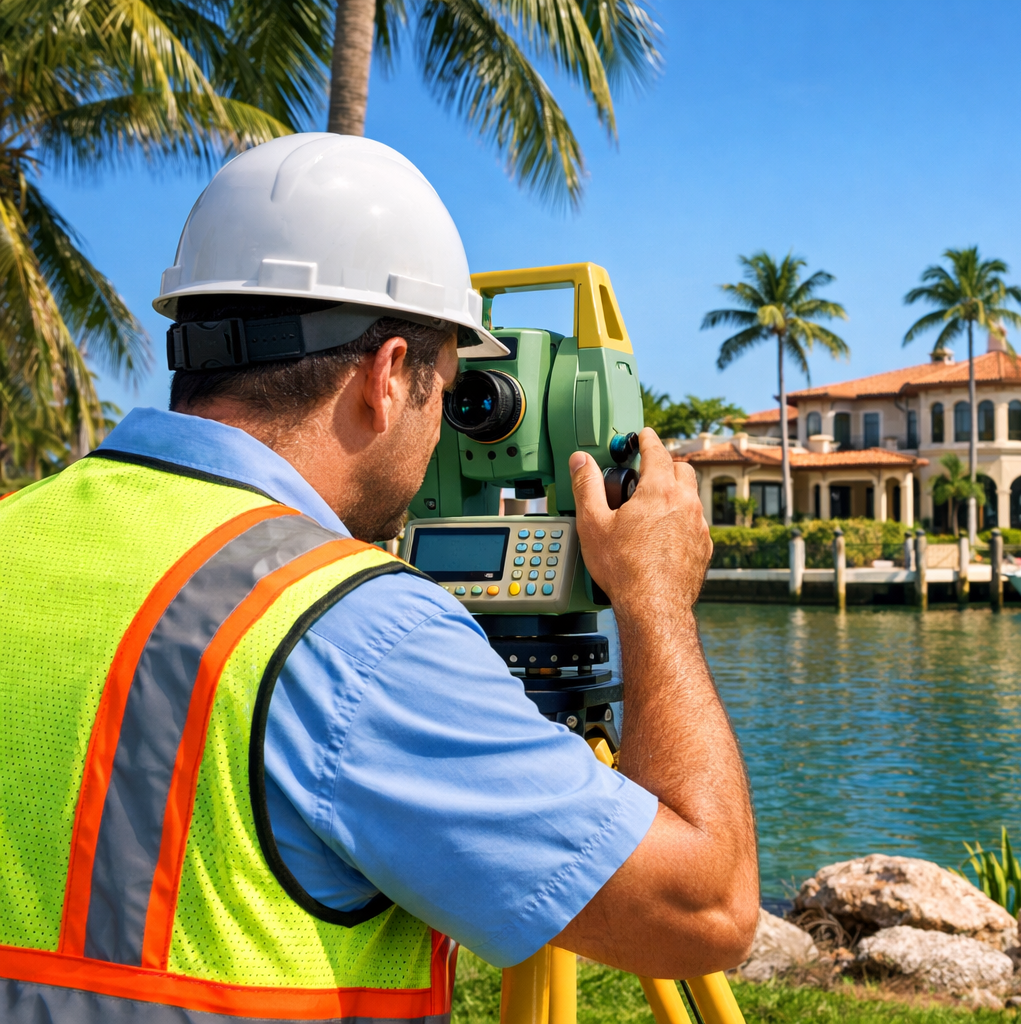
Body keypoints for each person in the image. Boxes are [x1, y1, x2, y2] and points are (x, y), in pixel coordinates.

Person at [0, 134, 757, 1023]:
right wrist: (655, 600)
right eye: (448, 385)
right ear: (390, 375)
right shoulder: (351, 631)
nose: (447, 430)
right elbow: (707, 911)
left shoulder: (22, 528)